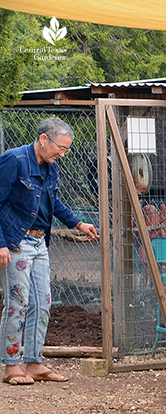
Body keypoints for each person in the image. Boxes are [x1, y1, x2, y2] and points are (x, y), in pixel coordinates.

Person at [0, 117, 98, 385]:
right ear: (43, 139)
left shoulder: (50, 166)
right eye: (60, 148)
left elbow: (53, 202)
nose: (62, 154)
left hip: (40, 243)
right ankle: (11, 366)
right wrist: (1, 244)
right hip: (15, 243)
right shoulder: (15, 160)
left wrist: (78, 224)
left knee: (42, 304)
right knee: (17, 304)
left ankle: (33, 363)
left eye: (66, 150)